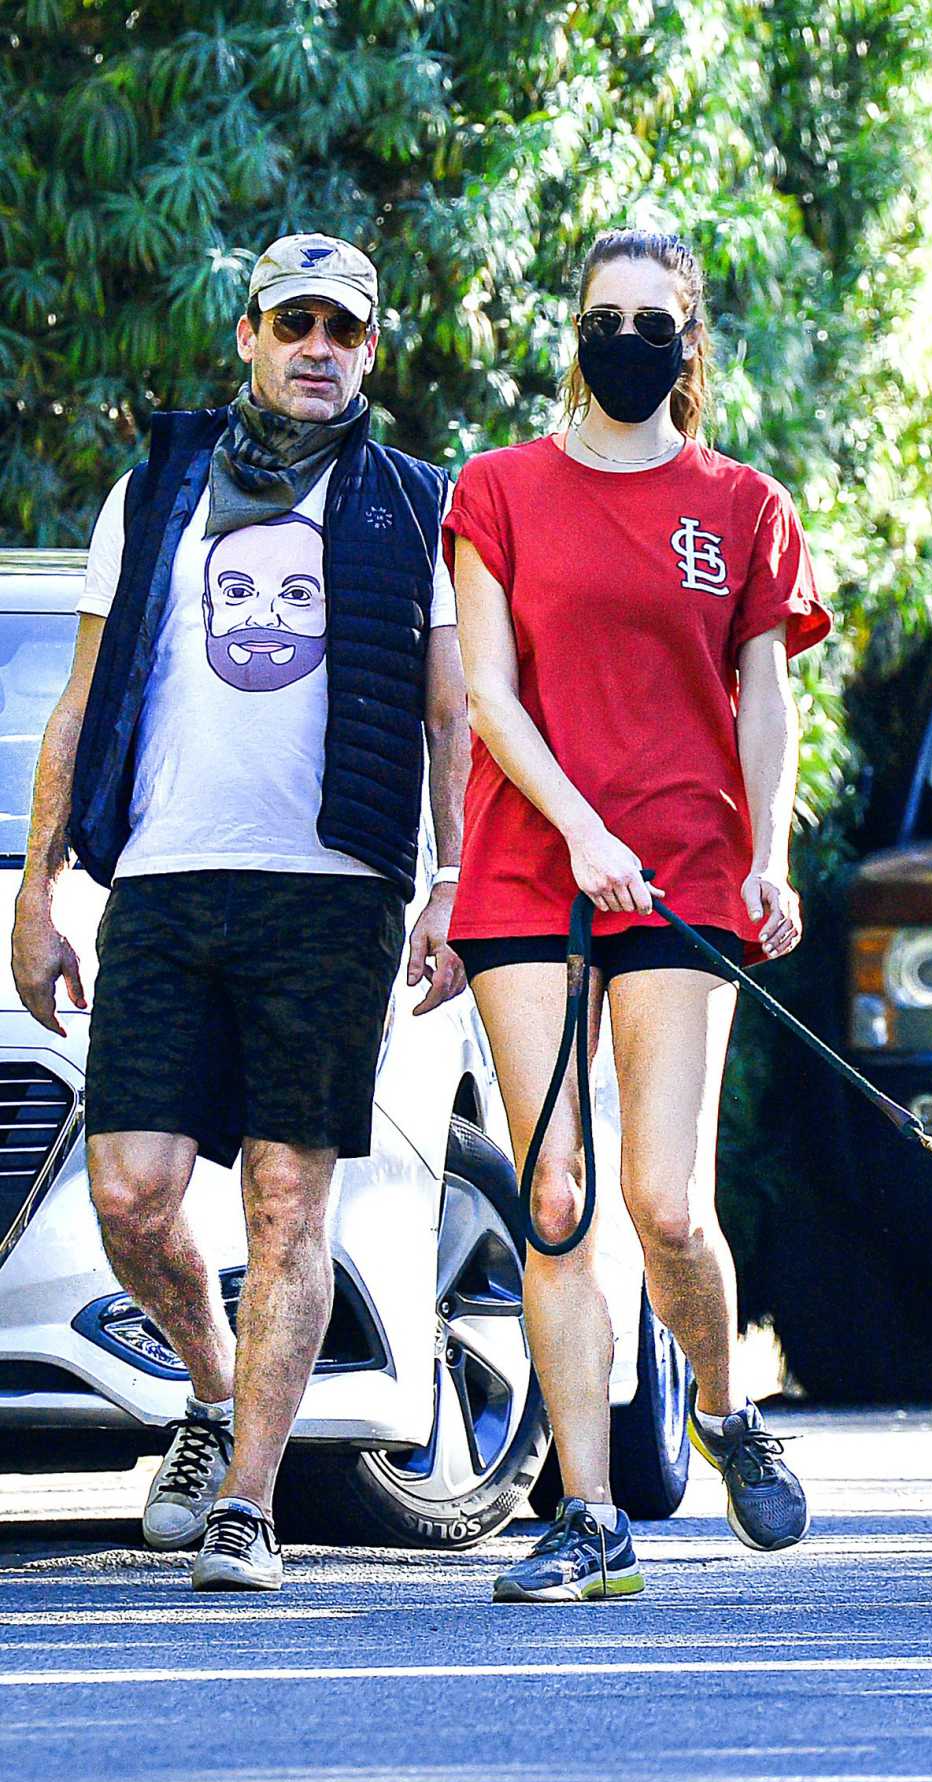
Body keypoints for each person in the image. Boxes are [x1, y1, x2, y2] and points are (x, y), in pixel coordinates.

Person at [10, 234, 468, 1592]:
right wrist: (40, 886)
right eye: (293, 324)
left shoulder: (411, 504)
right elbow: (81, 702)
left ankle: (248, 1505)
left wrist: (453, 883)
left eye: (344, 329)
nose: (317, 348)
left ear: (370, 351)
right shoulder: (155, 490)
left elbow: (451, 711)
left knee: (286, 1198)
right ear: (249, 339)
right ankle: (212, 1401)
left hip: (333, 894)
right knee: (131, 1192)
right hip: (157, 879)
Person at [445, 228, 831, 1603]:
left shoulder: (741, 504)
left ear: (687, 342)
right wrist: (578, 833)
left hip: (681, 867)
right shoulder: (496, 489)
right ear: (576, 334)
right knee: (553, 1200)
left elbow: (764, 698)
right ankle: (591, 1515)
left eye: (649, 318)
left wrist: (767, 860)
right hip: (527, 866)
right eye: (602, 315)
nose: (624, 337)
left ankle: (722, 1417)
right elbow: (488, 695)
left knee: (665, 1207)